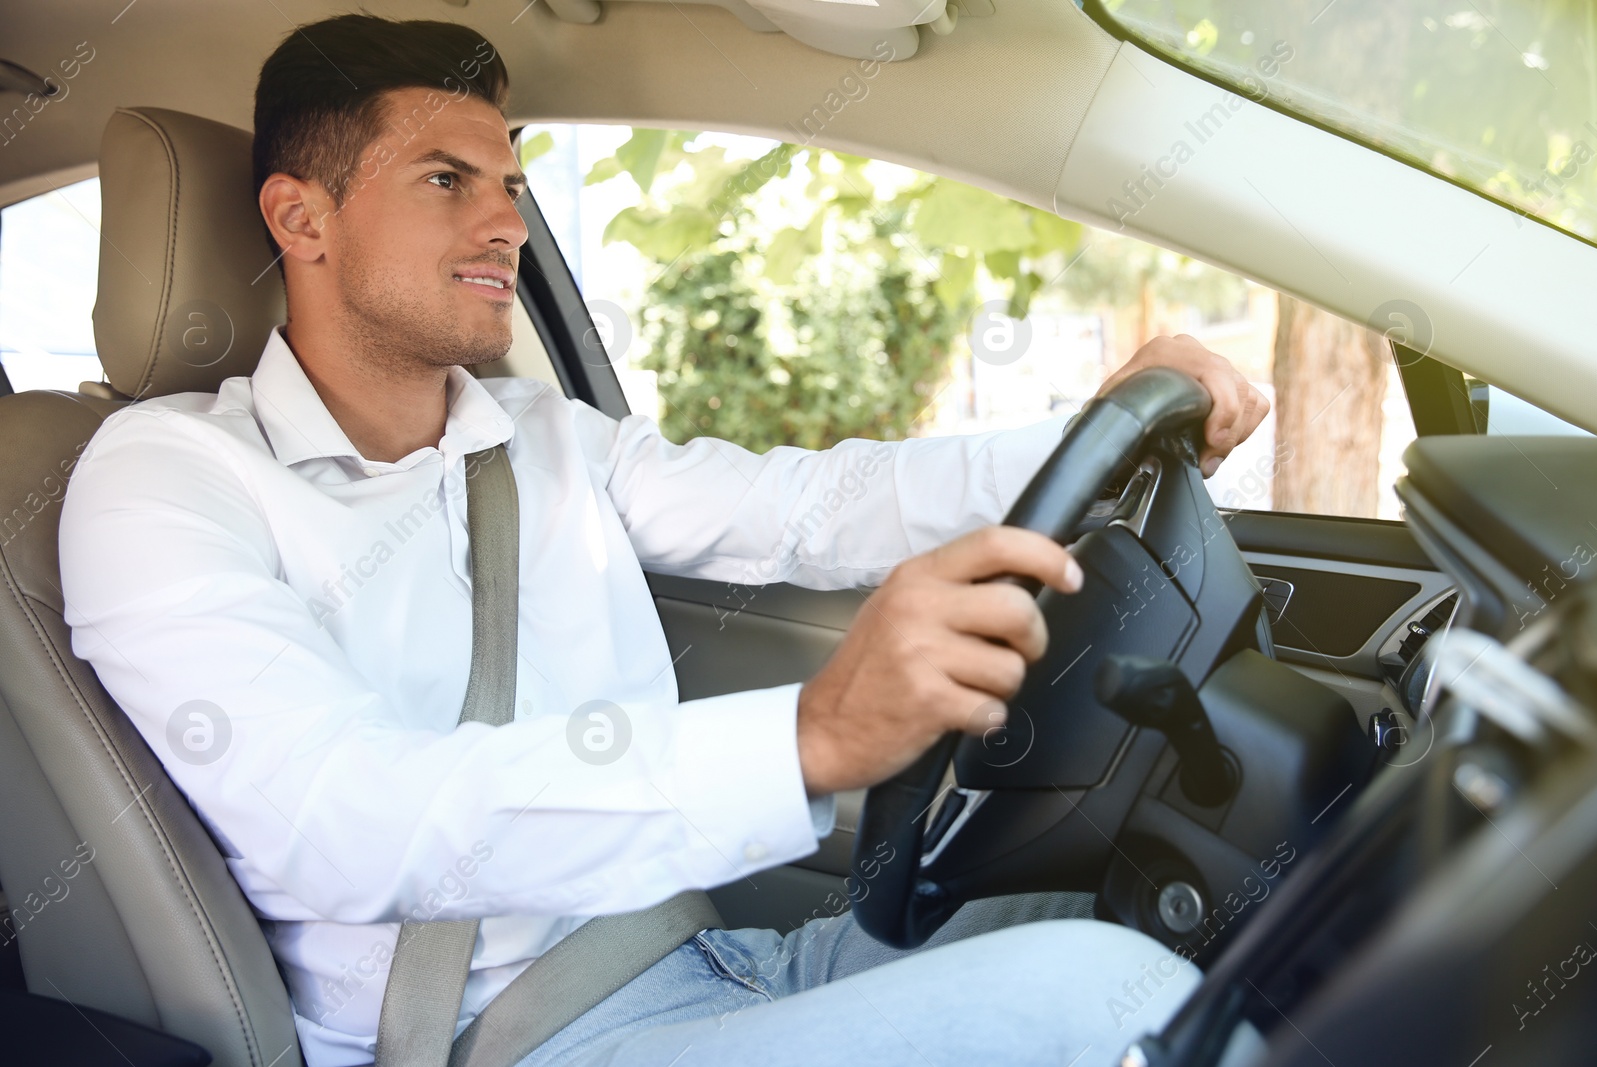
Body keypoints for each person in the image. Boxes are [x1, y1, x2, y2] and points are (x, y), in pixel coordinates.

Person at [58, 14, 1268, 1067]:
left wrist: (1091, 432)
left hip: (720, 960)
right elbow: (342, 814)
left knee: (1144, 921)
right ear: (298, 217)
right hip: (518, 1040)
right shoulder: (166, 481)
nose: (504, 224)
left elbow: (804, 506)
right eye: (445, 180)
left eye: (512, 183)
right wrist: (808, 735)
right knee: (1111, 1008)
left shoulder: (536, 431)